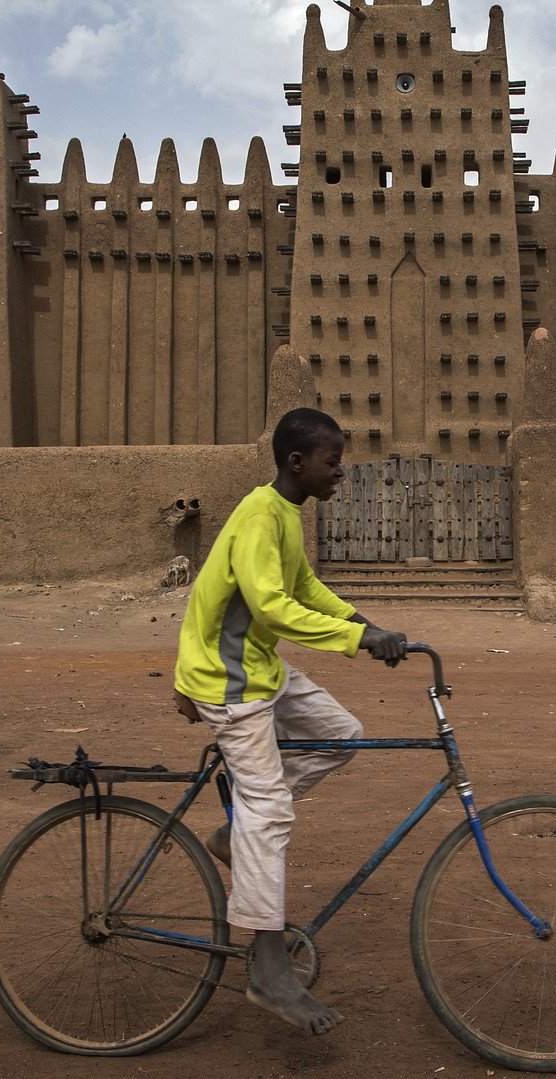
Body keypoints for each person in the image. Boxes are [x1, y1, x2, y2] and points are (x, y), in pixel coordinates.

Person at [170, 407, 407, 1037]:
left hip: (259, 671)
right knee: (270, 811)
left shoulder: (286, 515)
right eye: (333, 462)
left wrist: (365, 624)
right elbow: (274, 611)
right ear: (297, 463)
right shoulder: (257, 516)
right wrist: (358, 642)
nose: (340, 473)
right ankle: (268, 969)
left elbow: (305, 587)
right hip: (229, 681)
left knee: (342, 735)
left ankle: (235, 836)